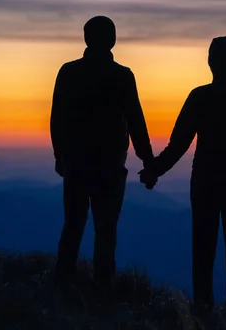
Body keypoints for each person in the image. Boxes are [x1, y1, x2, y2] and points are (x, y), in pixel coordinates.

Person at [140, 36, 226, 315]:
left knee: (203, 250)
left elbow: (179, 144)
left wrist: (154, 170)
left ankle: (203, 310)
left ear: (210, 61)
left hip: (206, 183)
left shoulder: (200, 97)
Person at [50, 16, 154, 296]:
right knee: (106, 230)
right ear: (112, 40)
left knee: (73, 225)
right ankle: (103, 289)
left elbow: (56, 118)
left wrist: (60, 156)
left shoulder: (68, 72)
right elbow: (135, 121)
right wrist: (148, 161)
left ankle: (62, 283)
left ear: (86, 39)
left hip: (76, 164)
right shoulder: (122, 76)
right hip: (110, 166)